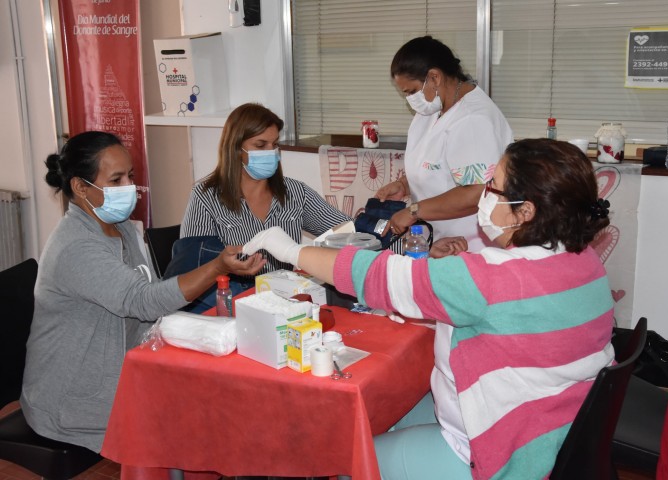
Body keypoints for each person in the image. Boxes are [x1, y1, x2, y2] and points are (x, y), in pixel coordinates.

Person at [243, 139, 615, 479]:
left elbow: (375, 276)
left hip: (501, 450)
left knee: (349, 457)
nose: (483, 194)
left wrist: (292, 251)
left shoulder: (490, 279)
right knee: (385, 411)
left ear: (525, 211)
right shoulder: (584, 262)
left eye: (493, 186)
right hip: (554, 424)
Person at [20, 131, 266, 453]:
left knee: (220, 394)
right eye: (116, 179)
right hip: (72, 400)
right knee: (198, 421)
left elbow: (150, 297)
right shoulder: (76, 247)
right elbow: (145, 302)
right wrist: (218, 267)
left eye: (131, 177)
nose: (129, 188)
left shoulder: (120, 227)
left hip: (126, 371)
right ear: (81, 187)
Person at [177, 102, 351, 310]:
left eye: (274, 144)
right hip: (233, 306)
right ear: (235, 148)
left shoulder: (294, 193)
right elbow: (194, 270)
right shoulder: (206, 198)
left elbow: (346, 231)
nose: (271, 152)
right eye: (260, 145)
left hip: (289, 303)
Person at [376, 36, 513, 251]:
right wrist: (404, 185)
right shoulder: (432, 108)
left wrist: (413, 211)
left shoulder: (472, 120)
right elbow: (437, 166)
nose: (410, 100)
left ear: (434, 77)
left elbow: (477, 191)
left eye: (412, 91)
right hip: (437, 241)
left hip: (470, 246)